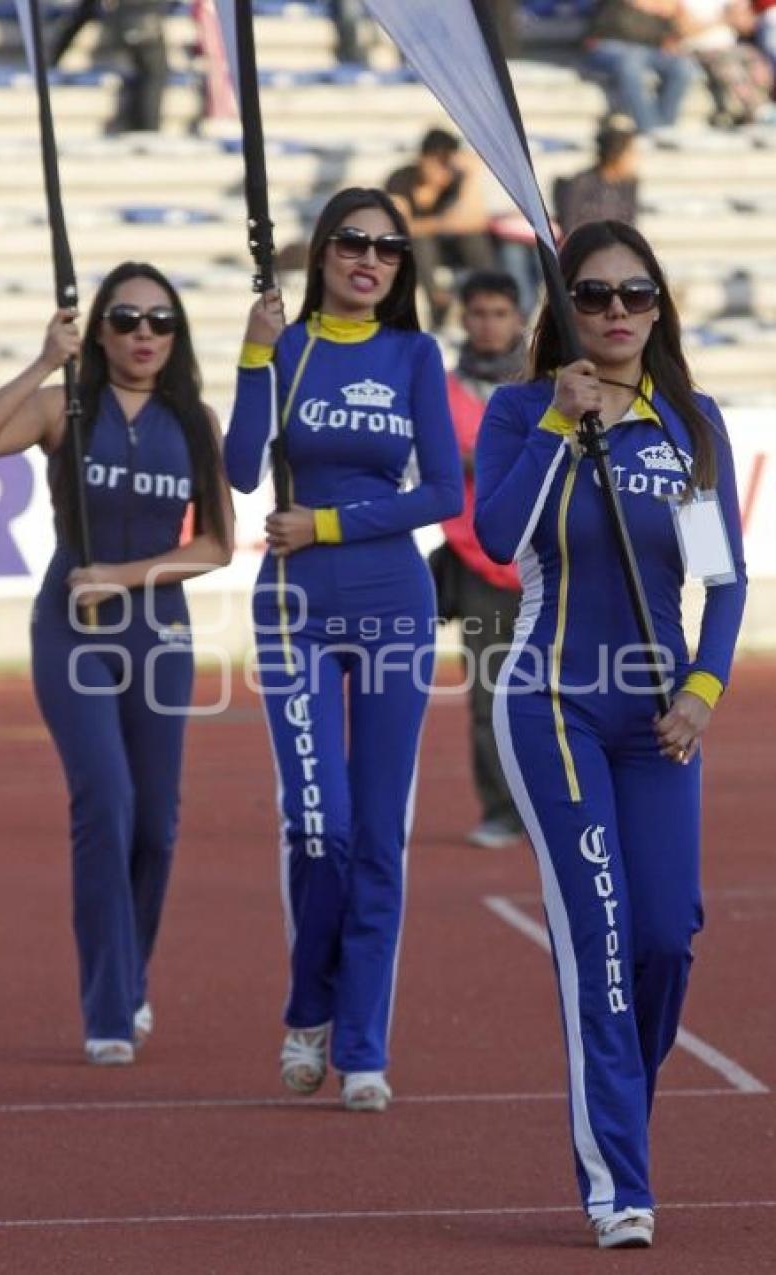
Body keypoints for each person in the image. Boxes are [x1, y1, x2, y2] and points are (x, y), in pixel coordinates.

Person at [474, 219, 746, 1249]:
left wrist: (703, 691)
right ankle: (616, 1187)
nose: (617, 313)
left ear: (659, 307)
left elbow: (719, 580)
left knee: (665, 938)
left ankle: (617, 1092)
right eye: (594, 297)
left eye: (636, 295)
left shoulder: (689, 423)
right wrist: (555, 422)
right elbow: (497, 541)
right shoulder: (519, 410)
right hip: (552, 705)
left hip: (660, 718)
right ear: (567, 311)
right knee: (596, 941)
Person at [0, 262, 234, 1065]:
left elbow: (214, 542)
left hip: (159, 631)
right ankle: (108, 1004)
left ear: (176, 336)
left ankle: (130, 973)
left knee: (157, 822)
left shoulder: (195, 420)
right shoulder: (65, 408)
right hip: (70, 630)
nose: (144, 334)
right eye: (127, 319)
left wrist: (123, 575)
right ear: (101, 330)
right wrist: (45, 360)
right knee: (103, 801)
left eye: (160, 321)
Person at [224, 187, 463, 1113]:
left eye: (388, 249)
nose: (369, 258)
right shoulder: (288, 348)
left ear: (402, 268)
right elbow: (244, 468)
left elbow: (443, 490)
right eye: (352, 242)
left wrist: (324, 521)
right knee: (316, 823)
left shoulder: (414, 354)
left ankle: (362, 1041)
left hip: (394, 606)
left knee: (378, 834)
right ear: (322, 253)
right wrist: (253, 353)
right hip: (295, 611)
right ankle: (306, 1010)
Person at [432, 271, 526, 848]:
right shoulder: (440, 390)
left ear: (519, 319)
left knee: (565, 692)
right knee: (489, 698)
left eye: (499, 313)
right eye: (479, 313)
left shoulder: (545, 385)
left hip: (547, 563)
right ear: (463, 319)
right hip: (477, 564)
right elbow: (437, 463)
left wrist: (476, 460)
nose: (489, 324)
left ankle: (557, 805)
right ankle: (501, 809)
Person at [386, 129, 497, 330]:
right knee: (420, 242)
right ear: (423, 158)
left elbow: (477, 223)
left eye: (448, 163)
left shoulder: (456, 182)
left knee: (474, 239)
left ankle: (487, 296)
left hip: (451, 248)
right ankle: (438, 303)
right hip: (419, 254)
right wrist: (443, 222)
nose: (443, 170)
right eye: (439, 161)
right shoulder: (401, 179)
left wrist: (472, 174)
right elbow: (400, 227)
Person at [49, 0, 169, 132]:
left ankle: (144, 127)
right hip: (138, 26)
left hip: (136, 24)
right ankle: (147, 128)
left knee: (150, 74)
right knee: (151, 74)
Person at [584, 0, 698, 134]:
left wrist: (676, 17)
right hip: (609, 45)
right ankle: (648, 128)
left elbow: (685, 27)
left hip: (649, 49)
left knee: (683, 67)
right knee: (631, 62)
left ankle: (665, 128)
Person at [677, 0, 773, 128]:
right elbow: (683, 30)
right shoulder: (689, 4)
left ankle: (764, 106)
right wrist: (720, 19)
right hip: (704, 49)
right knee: (731, 68)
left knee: (759, 64)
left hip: (734, 47)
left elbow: (747, 26)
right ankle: (755, 112)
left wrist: (739, 18)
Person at [553, 113, 640, 237]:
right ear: (616, 154)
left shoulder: (629, 185)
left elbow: (629, 227)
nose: (635, 159)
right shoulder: (579, 184)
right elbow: (570, 228)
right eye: (631, 153)